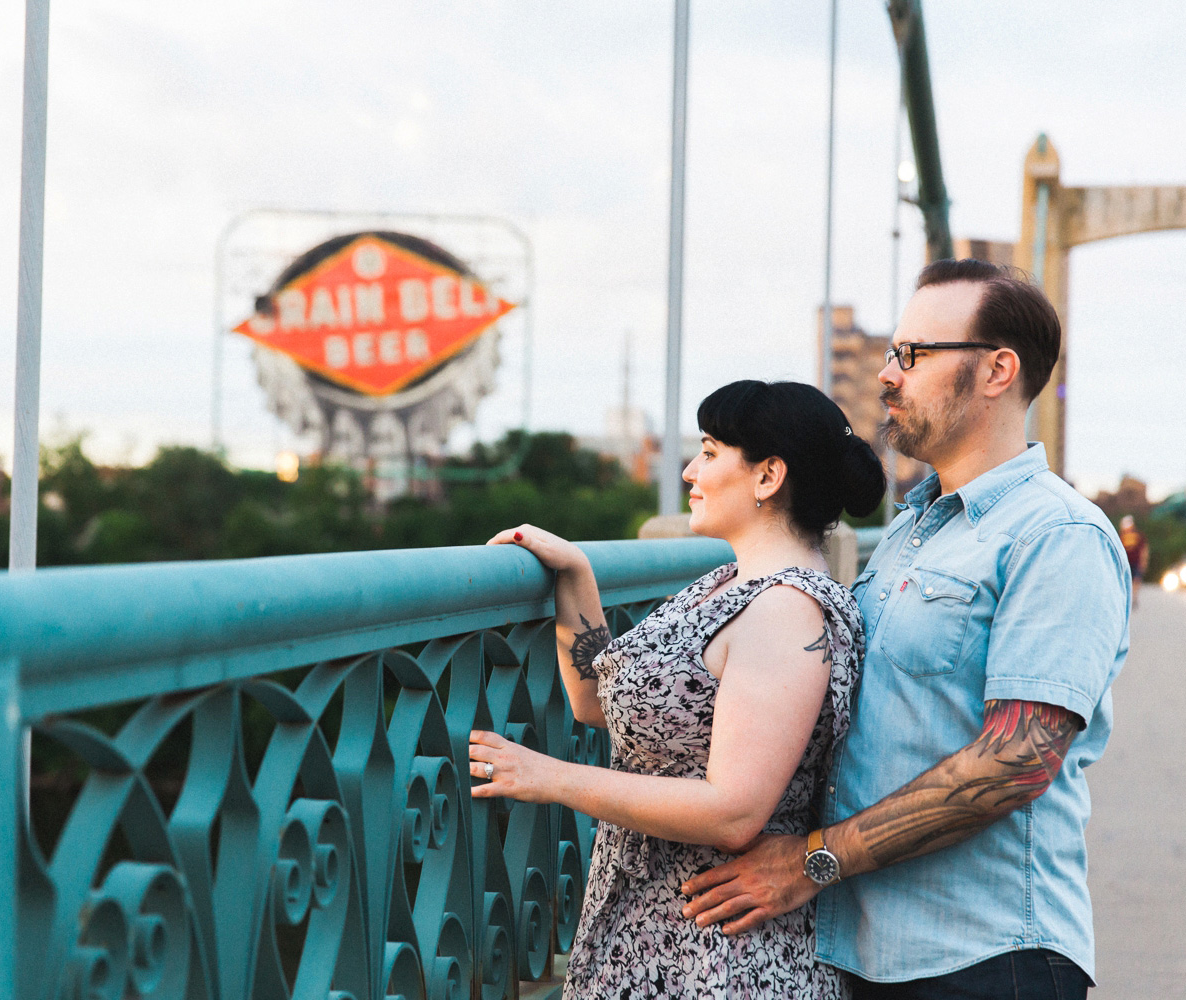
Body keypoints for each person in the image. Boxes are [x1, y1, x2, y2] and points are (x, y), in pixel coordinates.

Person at [681, 260, 1131, 1000]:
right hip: (859, 953)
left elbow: (1014, 763)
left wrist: (810, 863)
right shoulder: (907, 533)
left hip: (985, 959)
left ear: (997, 370)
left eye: (913, 355)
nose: (888, 376)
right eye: (892, 354)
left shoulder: (1058, 535)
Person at [467, 380, 885, 998]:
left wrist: (549, 777)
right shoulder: (724, 584)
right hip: (656, 932)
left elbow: (735, 811)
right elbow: (596, 703)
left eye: (711, 452)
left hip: (723, 954)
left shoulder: (786, 610)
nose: (691, 469)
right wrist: (577, 576)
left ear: (769, 475)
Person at [1118, 514, 1148, 602]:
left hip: (1136, 561)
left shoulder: (1138, 535)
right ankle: (1128, 596)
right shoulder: (1121, 536)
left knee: (1136, 579)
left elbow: (1144, 549)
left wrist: (1144, 561)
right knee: (1126, 579)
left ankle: (1133, 596)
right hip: (1126, 561)